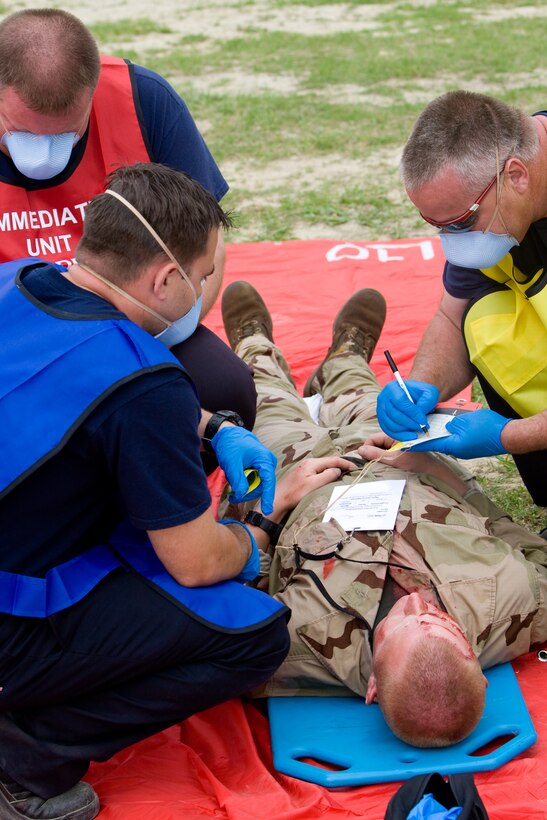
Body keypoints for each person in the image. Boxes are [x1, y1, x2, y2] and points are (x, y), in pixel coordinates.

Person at [0, 165, 290, 820]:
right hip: (10, 629)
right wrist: (257, 536)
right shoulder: (146, 383)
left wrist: (212, 428)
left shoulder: (19, 280)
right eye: (205, 271)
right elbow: (195, 563)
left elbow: (69, 382)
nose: (204, 289)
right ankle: (26, 760)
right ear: (166, 279)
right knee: (251, 635)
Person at [219, 280, 547, 748]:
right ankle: (345, 360)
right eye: (440, 623)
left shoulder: (291, 649)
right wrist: (447, 477)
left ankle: (254, 344)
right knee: (366, 397)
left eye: (402, 628)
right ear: (477, 667)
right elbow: (538, 552)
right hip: (404, 464)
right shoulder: (512, 606)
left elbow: (219, 595)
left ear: (371, 686)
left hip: (294, 480)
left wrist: (273, 514)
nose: (418, 604)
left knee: (260, 401)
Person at [0, 8, 257, 431]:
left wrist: (142, 340)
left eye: (68, 134)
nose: (44, 153)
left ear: (92, 92)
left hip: (138, 330)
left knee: (224, 392)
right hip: (14, 346)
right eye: (22, 133)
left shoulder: (142, 101)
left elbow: (204, 246)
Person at [374, 90, 547, 508]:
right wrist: (422, 383)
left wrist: (510, 436)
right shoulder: (496, 197)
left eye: (462, 221)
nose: (456, 241)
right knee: (485, 313)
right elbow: (453, 317)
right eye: (436, 224)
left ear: (517, 175)